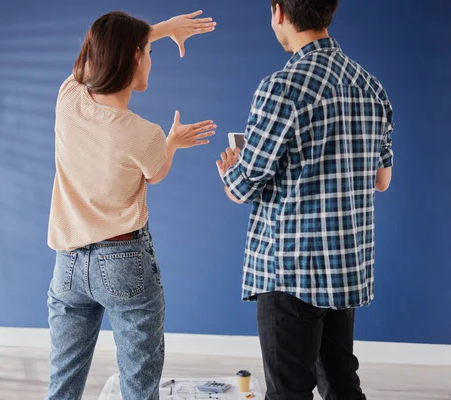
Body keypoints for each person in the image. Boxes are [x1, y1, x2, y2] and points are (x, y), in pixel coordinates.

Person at [216, 1, 393, 399]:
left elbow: (242, 188)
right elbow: (382, 180)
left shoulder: (282, 87)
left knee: (288, 392)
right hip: (346, 264)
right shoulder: (371, 86)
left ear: (279, 12)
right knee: (342, 383)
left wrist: (231, 167)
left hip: (291, 270)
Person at [45, 10, 217, 400]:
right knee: (139, 387)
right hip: (123, 262)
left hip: (67, 265)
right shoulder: (143, 134)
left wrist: (159, 30)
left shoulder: (68, 98)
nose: (151, 60)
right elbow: (155, 174)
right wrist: (171, 142)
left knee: (62, 384)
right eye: (149, 52)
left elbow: (105, 53)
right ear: (136, 58)